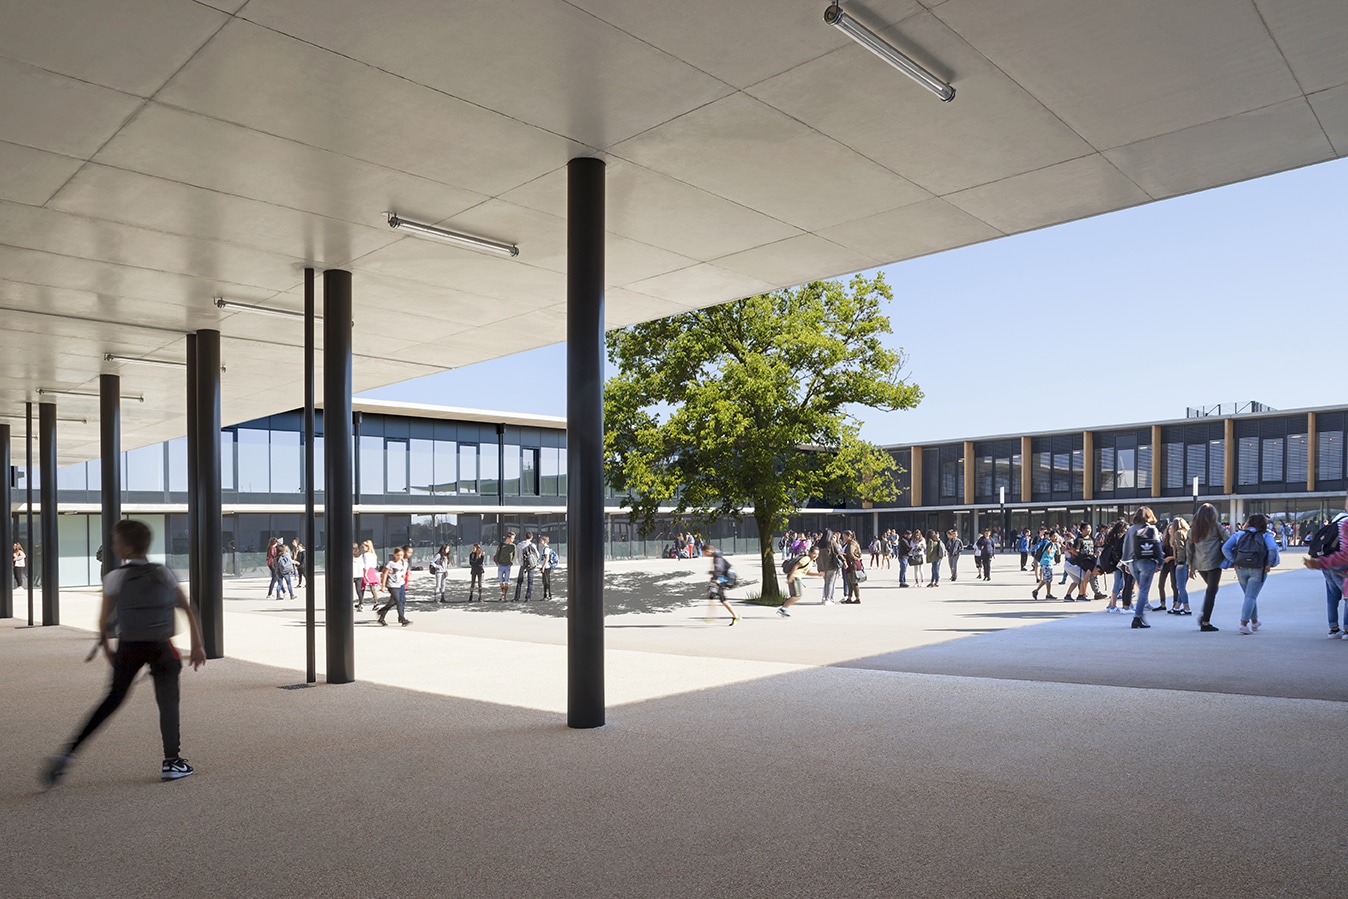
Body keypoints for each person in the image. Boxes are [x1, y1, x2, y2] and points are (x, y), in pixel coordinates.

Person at [42, 518, 206, 788]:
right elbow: (188, 607)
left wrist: (108, 648)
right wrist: (198, 645)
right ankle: (172, 762)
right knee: (168, 703)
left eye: (116, 541)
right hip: (161, 646)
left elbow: (103, 620)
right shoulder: (163, 572)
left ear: (128, 548)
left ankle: (69, 753)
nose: (114, 545)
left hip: (129, 645)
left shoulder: (114, 577)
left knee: (112, 700)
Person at [1222, 513, 1280, 635]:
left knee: (1249, 595)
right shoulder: (1266, 534)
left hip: (1241, 568)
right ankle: (1243, 624)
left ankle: (1255, 621)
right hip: (1258, 568)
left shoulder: (1240, 534)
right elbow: (1273, 549)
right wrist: (1269, 564)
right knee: (1251, 596)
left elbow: (1225, 548)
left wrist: (1234, 561)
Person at [1301, 497, 1348, 638]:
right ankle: (1347, 630)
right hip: (1341, 564)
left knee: (1332, 597)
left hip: (1327, 560)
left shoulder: (1334, 522)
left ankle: (1333, 629)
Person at [1186, 503, 1227, 633]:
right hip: (1214, 562)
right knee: (1212, 591)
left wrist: (1190, 566)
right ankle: (1205, 621)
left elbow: (1189, 549)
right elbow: (1229, 540)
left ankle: (1204, 617)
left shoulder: (1193, 530)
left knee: (1211, 589)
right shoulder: (1216, 527)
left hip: (1200, 564)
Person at [1122, 507, 1164, 629]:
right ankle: (1137, 617)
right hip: (1147, 562)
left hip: (1133, 562)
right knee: (1144, 591)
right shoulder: (1151, 529)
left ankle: (1140, 616)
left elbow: (1126, 547)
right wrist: (1160, 562)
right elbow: (1157, 546)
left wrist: (1126, 563)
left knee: (1141, 590)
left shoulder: (1131, 529)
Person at [778, 546, 821, 618]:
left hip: (796, 577)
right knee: (797, 595)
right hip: (795, 577)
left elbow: (807, 572)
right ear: (810, 552)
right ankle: (783, 608)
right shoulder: (806, 559)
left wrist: (817, 574)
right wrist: (791, 576)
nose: (815, 556)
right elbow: (796, 566)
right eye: (814, 553)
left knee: (795, 595)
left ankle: (784, 607)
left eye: (817, 554)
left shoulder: (810, 561)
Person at [703, 543, 739, 625]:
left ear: (708, 551)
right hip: (722, 579)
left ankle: (712, 617)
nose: (705, 555)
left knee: (712, 595)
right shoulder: (717, 555)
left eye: (705, 553)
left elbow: (719, 570)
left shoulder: (717, 557)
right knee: (722, 598)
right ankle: (735, 616)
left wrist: (714, 578)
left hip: (723, 579)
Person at [376, 547, 410, 626]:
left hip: (400, 584)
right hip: (392, 585)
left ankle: (381, 615)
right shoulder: (391, 563)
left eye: (401, 555)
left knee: (393, 602)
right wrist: (383, 586)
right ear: (394, 555)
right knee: (398, 601)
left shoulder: (404, 563)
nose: (399, 557)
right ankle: (402, 619)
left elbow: (404, 573)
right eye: (398, 555)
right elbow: (384, 574)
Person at [1164, 517, 1191, 615]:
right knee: (1181, 586)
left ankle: (1187, 607)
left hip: (1181, 562)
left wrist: (1180, 562)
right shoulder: (1187, 532)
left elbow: (1180, 549)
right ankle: (1177, 607)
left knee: (1180, 586)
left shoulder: (1178, 534)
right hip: (1187, 562)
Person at [815, 529, 842, 604]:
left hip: (821, 566)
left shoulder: (818, 543)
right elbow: (838, 552)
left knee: (826, 582)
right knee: (830, 582)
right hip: (831, 565)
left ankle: (824, 598)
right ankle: (828, 599)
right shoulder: (831, 543)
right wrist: (844, 561)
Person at [1030, 531, 1058, 601]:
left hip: (1049, 563)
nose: (1056, 537)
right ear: (1050, 537)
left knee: (1048, 579)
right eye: (1054, 536)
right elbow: (1048, 552)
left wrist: (1058, 545)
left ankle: (1045, 593)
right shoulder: (1049, 543)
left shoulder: (1054, 544)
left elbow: (1059, 553)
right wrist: (1052, 545)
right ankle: (1039, 592)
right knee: (1047, 579)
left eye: (1057, 536)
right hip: (1045, 562)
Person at [515, 531, 540, 601]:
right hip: (531, 565)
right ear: (531, 538)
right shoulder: (533, 545)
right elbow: (537, 555)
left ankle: (517, 597)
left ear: (524, 537)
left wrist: (520, 562)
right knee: (530, 582)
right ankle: (528, 598)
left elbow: (518, 555)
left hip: (523, 564)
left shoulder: (519, 545)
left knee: (519, 581)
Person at [840, 530, 863, 604]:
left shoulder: (851, 543)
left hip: (852, 564)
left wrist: (855, 558)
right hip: (851, 563)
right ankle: (849, 598)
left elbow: (850, 553)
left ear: (849, 536)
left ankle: (857, 598)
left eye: (844, 536)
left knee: (853, 582)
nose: (843, 537)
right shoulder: (849, 543)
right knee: (850, 582)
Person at [494, 532, 517, 601]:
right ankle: (502, 593)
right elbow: (497, 553)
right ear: (508, 538)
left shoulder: (513, 546)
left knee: (506, 582)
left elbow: (514, 555)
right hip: (501, 565)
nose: (513, 539)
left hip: (507, 565)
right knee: (501, 582)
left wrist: (511, 563)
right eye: (512, 538)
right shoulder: (501, 545)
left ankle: (504, 596)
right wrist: (497, 562)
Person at [360, 540, 381, 606]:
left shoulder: (366, 555)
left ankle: (361, 602)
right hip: (372, 570)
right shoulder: (374, 555)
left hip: (366, 570)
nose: (362, 549)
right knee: (372, 587)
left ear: (367, 547)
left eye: (363, 547)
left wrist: (365, 573)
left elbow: (366, 564)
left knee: (362, 586)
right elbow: (374, 564)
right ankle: (376, 601)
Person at [539, 535, 558, 599]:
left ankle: (548, 595)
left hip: (546, 567)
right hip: (546, 566)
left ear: (544, 541)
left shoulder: (546, 549)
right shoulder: (546, 548)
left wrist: (543, 567)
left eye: (541, 540)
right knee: (546, 581)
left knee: (546, 581)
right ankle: (547, 595)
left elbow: (547, 558)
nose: (540, 541)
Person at [351, 543, 369, 611]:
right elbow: (364, 565)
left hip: (352, 574)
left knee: (349, 590)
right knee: (359, 590)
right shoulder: (361, 556)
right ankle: (361, 603)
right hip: (359, 574)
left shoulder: (350, 556)